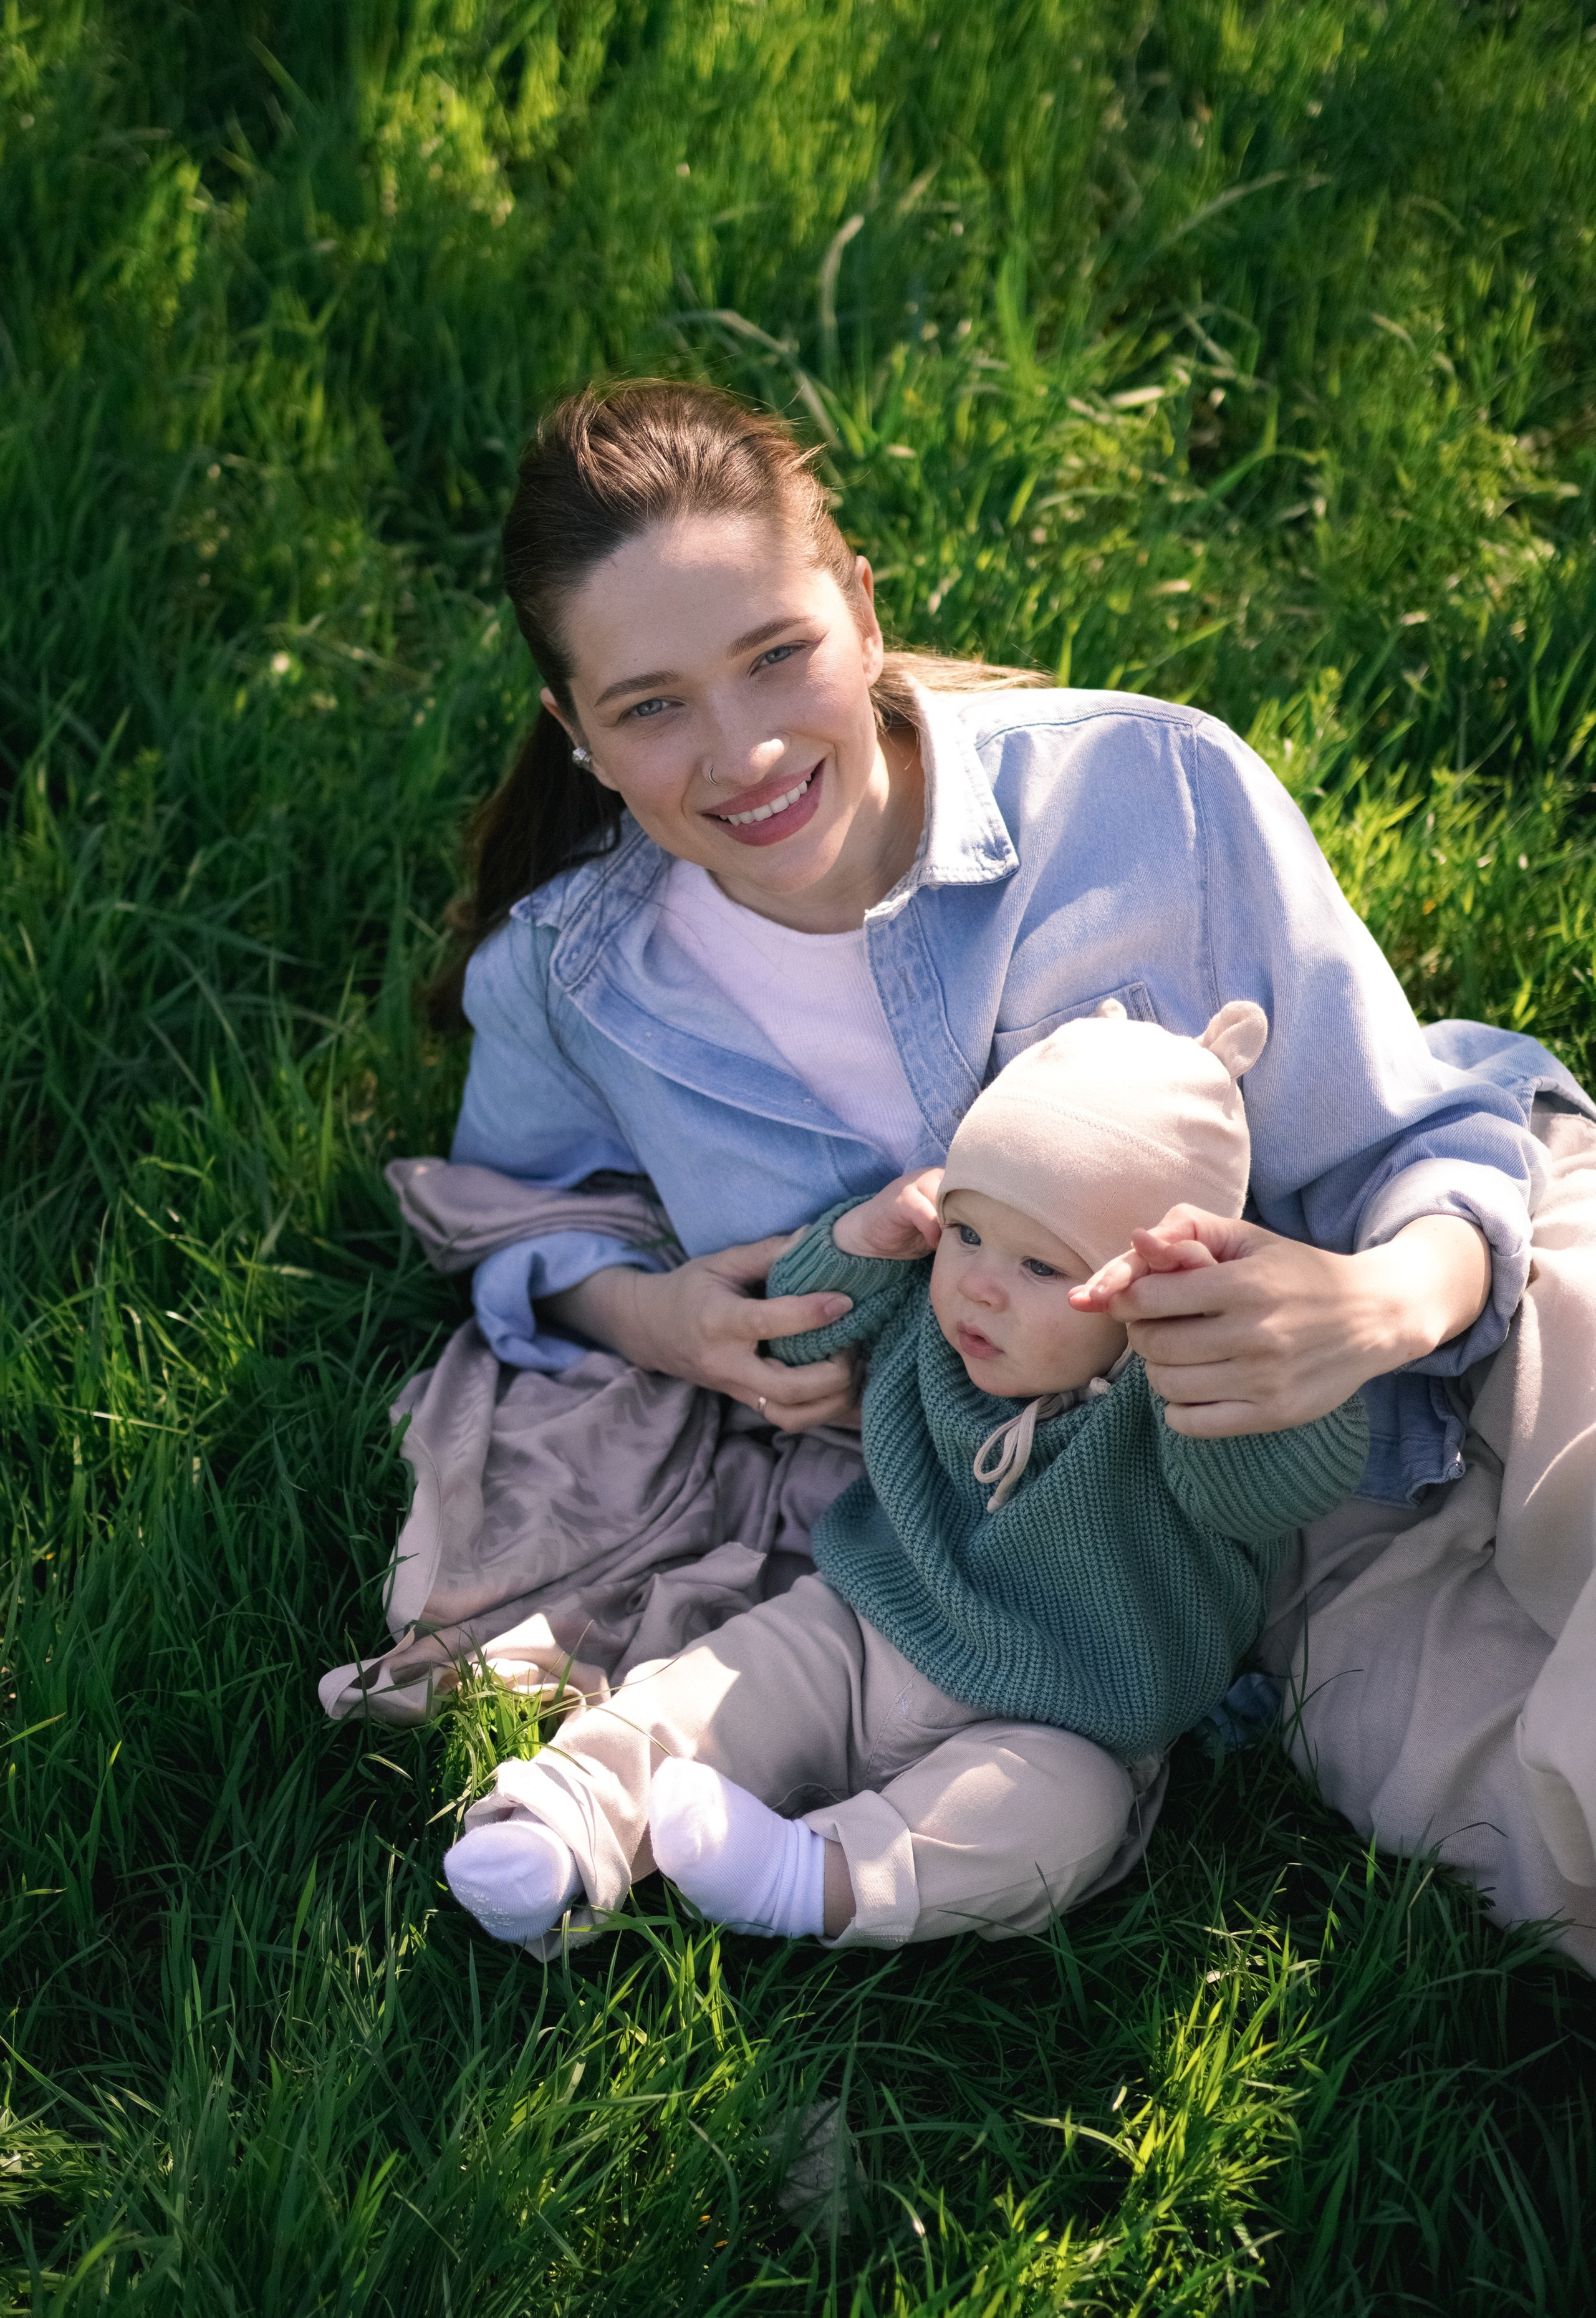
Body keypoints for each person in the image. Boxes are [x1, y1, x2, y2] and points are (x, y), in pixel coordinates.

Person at [432, 376, 1596, 1966]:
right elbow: (520, 1213)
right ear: (574, 730)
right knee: (1543, 1839)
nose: (745, 748)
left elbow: (1410, 1124)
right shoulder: (575, 980)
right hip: (1224, 1542)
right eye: (651, 707)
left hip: (1477, 1263)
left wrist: (1380, 1305)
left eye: (776, 654)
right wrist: (658, 1320)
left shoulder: (1145, 791)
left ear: (859, 608)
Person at [442, 999, 1372, 1949]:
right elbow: (797, 1339)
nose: (979, 1285)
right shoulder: (937, 1322)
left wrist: (1222, 1365)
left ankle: (807, 1878)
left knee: (1058, 1817)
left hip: (1065, 1717)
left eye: (1041, 1267)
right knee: (723, 1685)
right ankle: (563, 1820)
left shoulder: (1169, 1393)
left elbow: (1271, 1494)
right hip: (866, 1626)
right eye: (966, 1233)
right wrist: (859, 1243)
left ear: (1147, 1295)